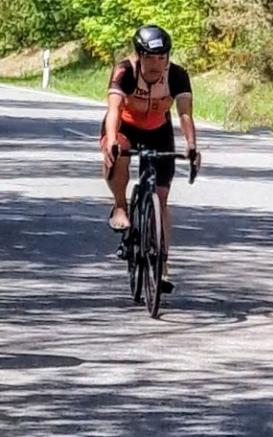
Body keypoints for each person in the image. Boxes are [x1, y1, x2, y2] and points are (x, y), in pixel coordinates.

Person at [100, 24, 200, 292]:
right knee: (118, 152)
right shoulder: (125, 71)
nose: (156, 64)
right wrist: (111, 141)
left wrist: (191, 145)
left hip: (158, 128)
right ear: (139, 55)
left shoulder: (177, 75)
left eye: (162, 57)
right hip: (126, 125)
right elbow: (114, 109)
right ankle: (120, 205)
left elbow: (185, 114)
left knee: (162, 196)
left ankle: (162, 264)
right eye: (150, 58)